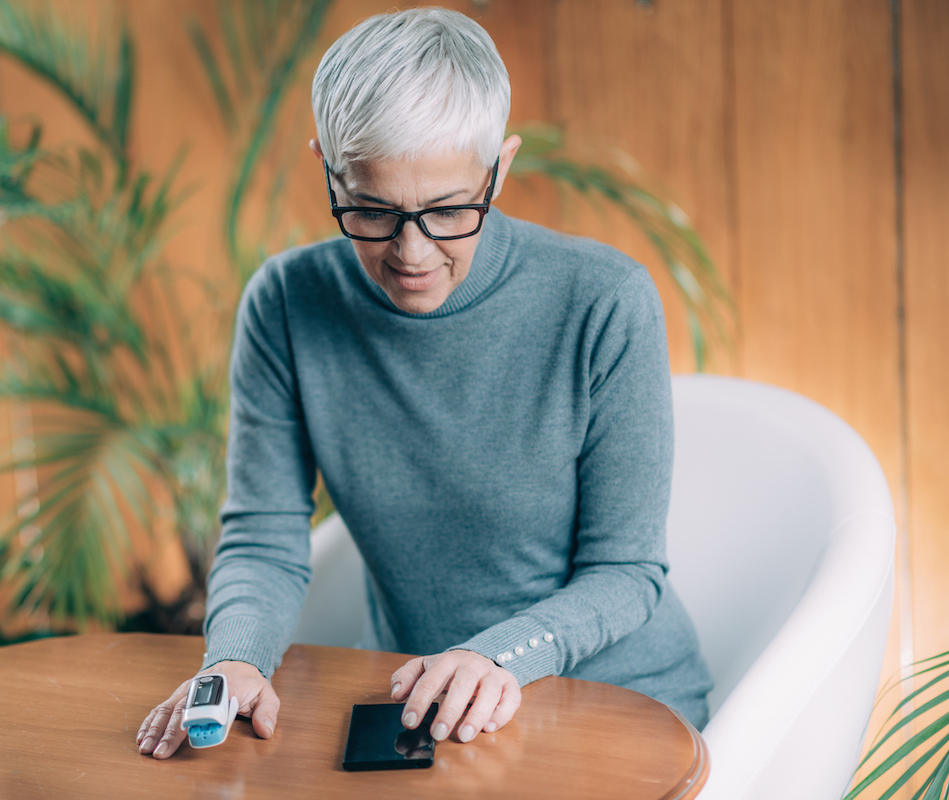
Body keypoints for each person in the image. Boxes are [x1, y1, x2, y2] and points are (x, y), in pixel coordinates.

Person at [137, 6, 712, 759]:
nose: (411, 251)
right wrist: (234, 659)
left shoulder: (604, 300)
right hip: (422, 711)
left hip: (617, 701)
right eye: (371, 210)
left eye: (447, 211)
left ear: (498, 170)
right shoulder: (286, 303)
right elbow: (265, 534)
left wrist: (499, 658)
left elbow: (626, 573)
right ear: (326, 169)